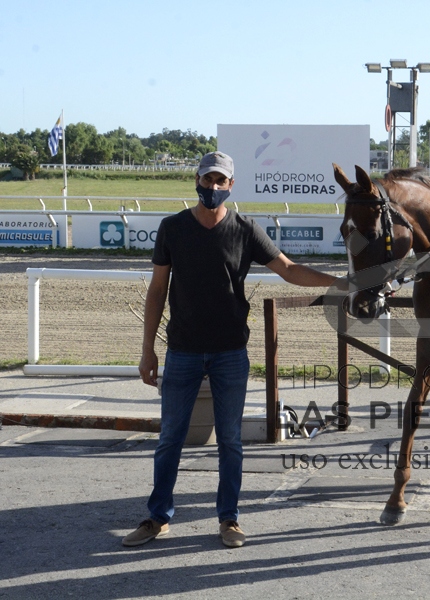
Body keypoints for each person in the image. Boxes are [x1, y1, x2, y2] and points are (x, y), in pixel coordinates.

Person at [123, 151, 339, 549]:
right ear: (197, 180)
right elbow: (157, 290)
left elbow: (289, 270)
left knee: (230, 442)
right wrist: (147, 350)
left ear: (231, 185)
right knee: (170, 438)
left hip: (230, 352)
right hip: (182, 351)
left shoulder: (245, 229)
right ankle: (157, 518)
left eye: (220, 181)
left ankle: (229, 520)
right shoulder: (172, 228)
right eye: (207, 179)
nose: (213, 187)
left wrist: (339, 282)